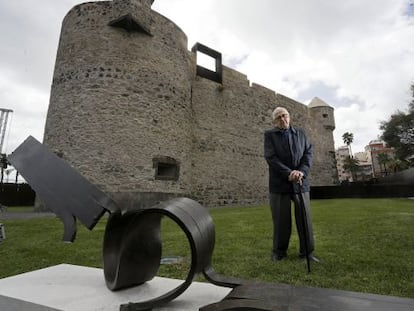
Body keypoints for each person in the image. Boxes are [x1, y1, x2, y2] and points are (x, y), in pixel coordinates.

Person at [264, 107, 319, 262]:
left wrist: (301, 172)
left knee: (304, 219)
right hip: (279, 183)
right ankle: (279, 253)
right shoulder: (270, 136)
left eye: (285, 116)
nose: (283, 119)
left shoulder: (301, 133)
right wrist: (289, 173)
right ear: (275, 121)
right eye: (279, 117)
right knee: (281, 221)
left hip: (301, 182)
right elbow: (271, 157)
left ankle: (307, 253)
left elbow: (308, 153)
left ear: (289, 117)